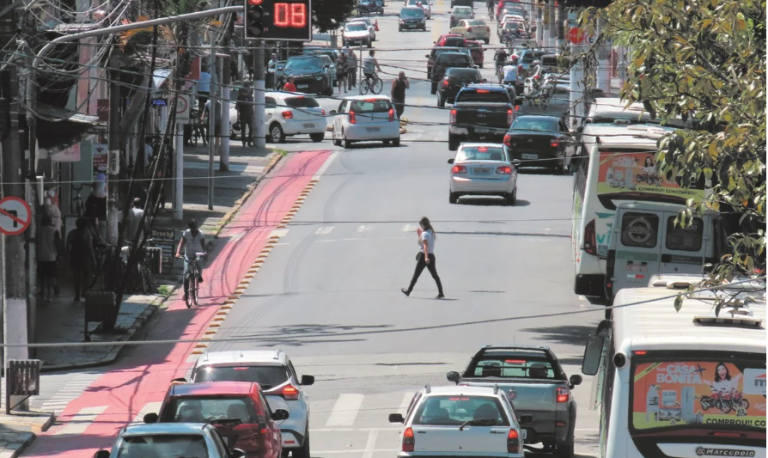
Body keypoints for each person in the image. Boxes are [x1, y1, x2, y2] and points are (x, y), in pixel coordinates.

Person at [401, 216, 444, 299]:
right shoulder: (431, 232)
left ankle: (408, 291)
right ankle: (441, 293)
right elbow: (424, 242)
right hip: (432, 256)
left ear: (423, 225)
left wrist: (426, 258)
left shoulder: (425, 234)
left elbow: (425, 246)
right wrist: (419, 234)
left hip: (424, 255)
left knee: (416, 274)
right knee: (435, 275)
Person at [175, 219, 208, 302]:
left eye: (195, 227)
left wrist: (205, 253)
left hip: (198, 254)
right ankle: (186, 293)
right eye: (192, 228)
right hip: (188, 255)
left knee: (199, 263)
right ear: (190, 228)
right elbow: (181, 244)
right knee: (185, 272)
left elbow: (203, 245)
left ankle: (199, 276)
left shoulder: (201, 234)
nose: (194, 230)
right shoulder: (186, 233)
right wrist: (178, 253)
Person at [67, 217, 97, 302]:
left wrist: (67, 257)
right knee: (87, 275)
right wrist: (93, 260)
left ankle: (77, 294)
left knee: (77, 276)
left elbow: (67, 247)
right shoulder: (87, 233)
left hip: (75, 257)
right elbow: (90, 248)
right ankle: (84, 291)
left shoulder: (72, 233)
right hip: (85, 257)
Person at [37, 215, 61, 302]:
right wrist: (59, 255)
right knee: (51, 276)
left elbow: (36, 243)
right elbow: (57, 244)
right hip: (51, 257)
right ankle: (49, 296)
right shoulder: (55, 231)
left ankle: (43, 294)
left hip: (40, 257)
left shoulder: (38, 231)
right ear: (50, 222)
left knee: (42, 277)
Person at [236, 82, 255, 146]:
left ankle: (249, 142)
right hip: (243, 115)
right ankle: (244, 142)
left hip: (250, 114)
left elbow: (252, 105)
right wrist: (238, 116)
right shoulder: (240, 97)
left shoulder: (250, 97)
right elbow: (237, 107)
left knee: (251, 128)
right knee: (243, 129)